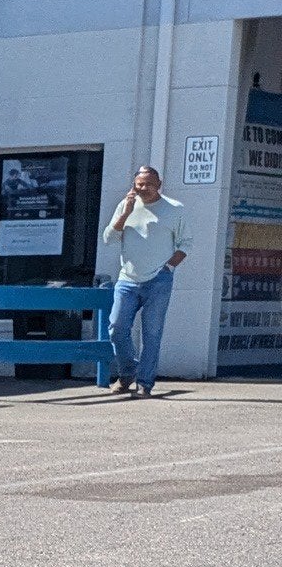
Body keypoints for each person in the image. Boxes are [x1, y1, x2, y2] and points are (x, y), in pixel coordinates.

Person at [101, 165, 190, 396]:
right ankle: (126, 373)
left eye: (149, 184)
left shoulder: (174, 209)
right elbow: (109, 238)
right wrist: (126, 212)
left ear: (159, 184)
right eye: (139, 184)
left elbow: (185, 244)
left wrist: (168, 268)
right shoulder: (126, 205)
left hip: (158, 280)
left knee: (152, 334)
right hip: (127, 279)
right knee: (117, 328)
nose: (144, 188)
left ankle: (145, 382)